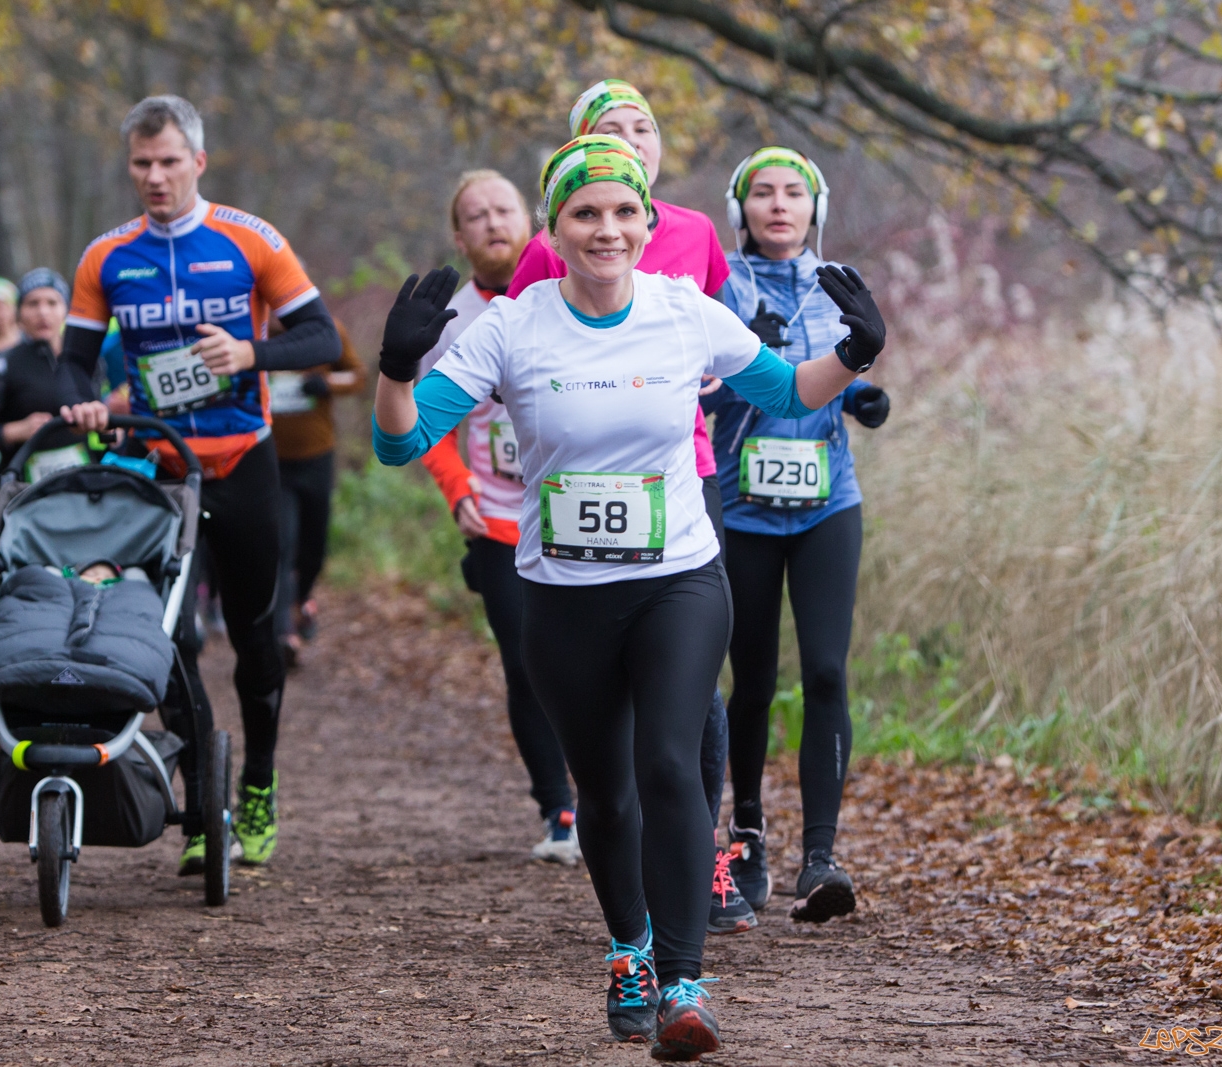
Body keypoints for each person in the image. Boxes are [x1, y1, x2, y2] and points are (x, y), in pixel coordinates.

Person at [373, 135, 887, 1059]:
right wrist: (397, 372)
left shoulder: (685, 310)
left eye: (624, 212)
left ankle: (686, 984)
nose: (607, 229)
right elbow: (401, 443)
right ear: (554, 229)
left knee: (670, 765)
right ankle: (630, 949)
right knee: (607, 796)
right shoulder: (513, 326)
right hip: (563, 594)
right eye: (586, 213)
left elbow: (786, 392)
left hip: (678, 580)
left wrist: (855, 351)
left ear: (649, 223)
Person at [57, 95, 342, 875]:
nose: (156, 177)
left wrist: (250, 353)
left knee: (255, 637)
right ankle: (201, 805)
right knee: (166, 640)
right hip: (158, 469)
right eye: (142, 164)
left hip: (243, 461)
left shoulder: (251, 239)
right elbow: (72, 362)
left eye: (170, 162)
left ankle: (258, 786)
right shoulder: (106, 256)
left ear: (198, 162)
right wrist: (84, 400)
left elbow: (322, 336)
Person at [505, 78, 751, 934]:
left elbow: (731, 340)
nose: (629, 140)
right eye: (608, 129)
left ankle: (703, 857)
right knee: (611, 721)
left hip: (681, 472)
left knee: (691, 693)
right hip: (575, 491)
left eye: (641, 127)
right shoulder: (552, 246)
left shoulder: (694, 233)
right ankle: (629, 874)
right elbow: (515, 357)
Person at [709, 148, 890, 925]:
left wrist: (863, 397)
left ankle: (821, 856)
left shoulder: (839, 281)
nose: (779, 205)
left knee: (825, 671)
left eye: (794, 192)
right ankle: (748, 835)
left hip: (826, 503)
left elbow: (841, 370)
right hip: (742, 507)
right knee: (751, 681)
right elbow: (701, 391)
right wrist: (736, 367)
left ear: (816, 207)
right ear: (740, 209)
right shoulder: (718, 286)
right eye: (763, 193)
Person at [418, 169, 582, 865]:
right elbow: (427, 424)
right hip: (498, 519)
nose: (493, 223)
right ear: (459, 238)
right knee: (527, 663)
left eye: (504, 209)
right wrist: (457, 489)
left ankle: (618, 790)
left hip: (578, 512)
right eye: (477, 216)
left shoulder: (571, 295)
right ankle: (559, 807)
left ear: (533, 220)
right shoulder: (452, 319)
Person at [269, 320, 363, 664]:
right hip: (273, 460)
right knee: (282, 542)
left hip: (317, 456)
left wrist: (326, 383)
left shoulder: (327, 328)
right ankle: (284, 632)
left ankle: (302, 598)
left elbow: (357, 376)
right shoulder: (254, 330)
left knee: (314, 546)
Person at [0, 269, 92, 478]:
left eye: (52, 303)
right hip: (26, 487)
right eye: (33, 303)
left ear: (66, 309)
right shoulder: (4, 365)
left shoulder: (86, 358)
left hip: (84, 481)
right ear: (19, 313)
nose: (43, 312)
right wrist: (16, 430)